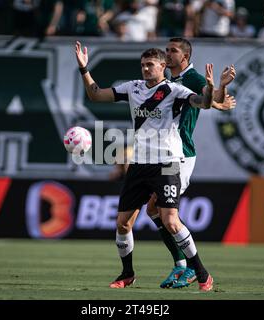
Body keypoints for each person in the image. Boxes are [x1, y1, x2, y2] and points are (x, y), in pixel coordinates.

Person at [74, 41, 236, 291]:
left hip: (168, 163)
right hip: (139, 164)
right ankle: (127, 274)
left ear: (162, 66)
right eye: (143, 65)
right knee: (122, 223)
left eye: (150, 65)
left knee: (170, 220)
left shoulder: (175, 90)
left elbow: (203, 102)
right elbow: (96, 94)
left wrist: (217, 86)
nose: (146, 69)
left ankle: (201, 272)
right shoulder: (133, 88)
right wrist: (84, 69)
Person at [144, 37, 236, 289]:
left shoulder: (193, 77)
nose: (168, 54)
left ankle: (194, 270)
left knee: (168, 215)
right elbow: (209, 102)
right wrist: (219, 104)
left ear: (184, 57)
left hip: (181, 153)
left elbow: (207, 97)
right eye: (166, 50)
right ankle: (181, 265)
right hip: (164, 152)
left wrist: (221, 90)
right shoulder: (167, 80)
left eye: (172, 51)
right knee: (153, 209)